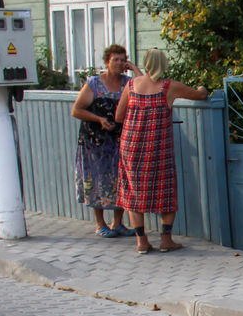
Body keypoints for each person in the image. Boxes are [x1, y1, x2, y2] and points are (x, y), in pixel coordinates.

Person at [114, 48, 209, 254]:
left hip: (131, 146)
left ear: (146, 63)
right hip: (158, 147)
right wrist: (203, 87)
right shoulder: (170, 87)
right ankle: (166, 239)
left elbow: (119, 116)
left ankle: (142, 241)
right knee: (165, 191)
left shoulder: (131, 85)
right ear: (164, 64)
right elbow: (199, 95)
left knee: (133, 192)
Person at [71, 44, 137, 238]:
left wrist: (133, 68)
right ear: (107, 62)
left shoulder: (128, 82)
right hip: (95, 141)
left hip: (119, 139)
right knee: (97, 179)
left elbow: (143, 85)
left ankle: (118, 223)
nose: (118, 63)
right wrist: (99, 119)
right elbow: (77, 110)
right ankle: (100, 224)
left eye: (122, 59)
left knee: (121, 179)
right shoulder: (94, 83)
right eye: (115, 59)